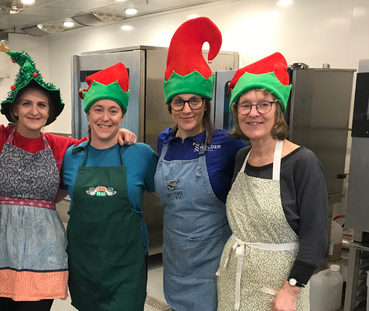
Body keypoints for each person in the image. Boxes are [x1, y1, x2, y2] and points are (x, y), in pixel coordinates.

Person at [0, 44, 136, 311]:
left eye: (42, 105)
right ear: (15, 108)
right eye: (26, 104)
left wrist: (122, 134)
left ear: (50, 112)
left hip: (45, 252)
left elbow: (98, 144)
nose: (34, 111)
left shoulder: (63, 147)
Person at [216, 52, 328, 311]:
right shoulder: (242, 157)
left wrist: (292, 287)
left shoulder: (302, 162)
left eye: (264, 104)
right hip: (235, 280)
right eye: (245, 104)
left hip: (280, 287)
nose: (253, 113)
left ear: (278, 109)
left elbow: (316, 236)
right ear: (236, 111)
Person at [154, 17, 245, 311]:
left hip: (213, 265)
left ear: (205, 102)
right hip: (175, 260)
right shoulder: (164, 142)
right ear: (169, 105)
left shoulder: (228, 145)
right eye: (178, 102)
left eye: (195, 100)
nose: (187, 109)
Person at [60, 62, 158, 311]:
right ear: (88, 114)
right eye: (98, 109)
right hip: (83, 261)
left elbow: (166, 194)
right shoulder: (72, 155)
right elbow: (55, 194)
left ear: (122, 115)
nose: (105, 117)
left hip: (127, 263)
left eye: (113, 111)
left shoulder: (142, 155)